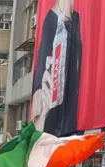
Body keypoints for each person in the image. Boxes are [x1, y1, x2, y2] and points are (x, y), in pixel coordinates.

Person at [30, 0, 82, 137]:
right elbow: (37, 112)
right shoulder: (52, 24)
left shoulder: (78, 18)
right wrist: (43, 113)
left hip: (72, 126)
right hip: (59, 128)